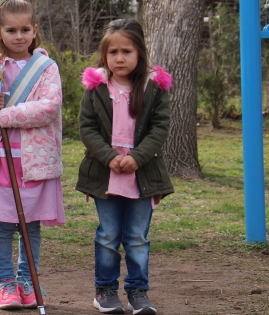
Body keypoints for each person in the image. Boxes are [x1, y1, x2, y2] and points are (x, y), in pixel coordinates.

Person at [76, 18, 174, 315]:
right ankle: (104, 291)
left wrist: (136, 157)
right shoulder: (96, 88)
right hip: (106, 174)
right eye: (113, 52)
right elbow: (87, 128)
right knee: (108, 235)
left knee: (136, 237)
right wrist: (109, 157)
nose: (119, 58)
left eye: (127, 51)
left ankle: (138, 292)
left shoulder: (154, 88)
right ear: (104, 55)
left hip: (141, 174)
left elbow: (160, 128)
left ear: (140, 53)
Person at [0, 0, 65, 310]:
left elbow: (49, 107)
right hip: (2, 161)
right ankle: (5, 284)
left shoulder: (46, 67)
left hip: (35, 163)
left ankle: (28, 281)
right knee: (3, 227)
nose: (19, 36)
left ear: (35, 30)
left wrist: (8, 114)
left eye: (25, 29)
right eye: (11, 30)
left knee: (31, 226)